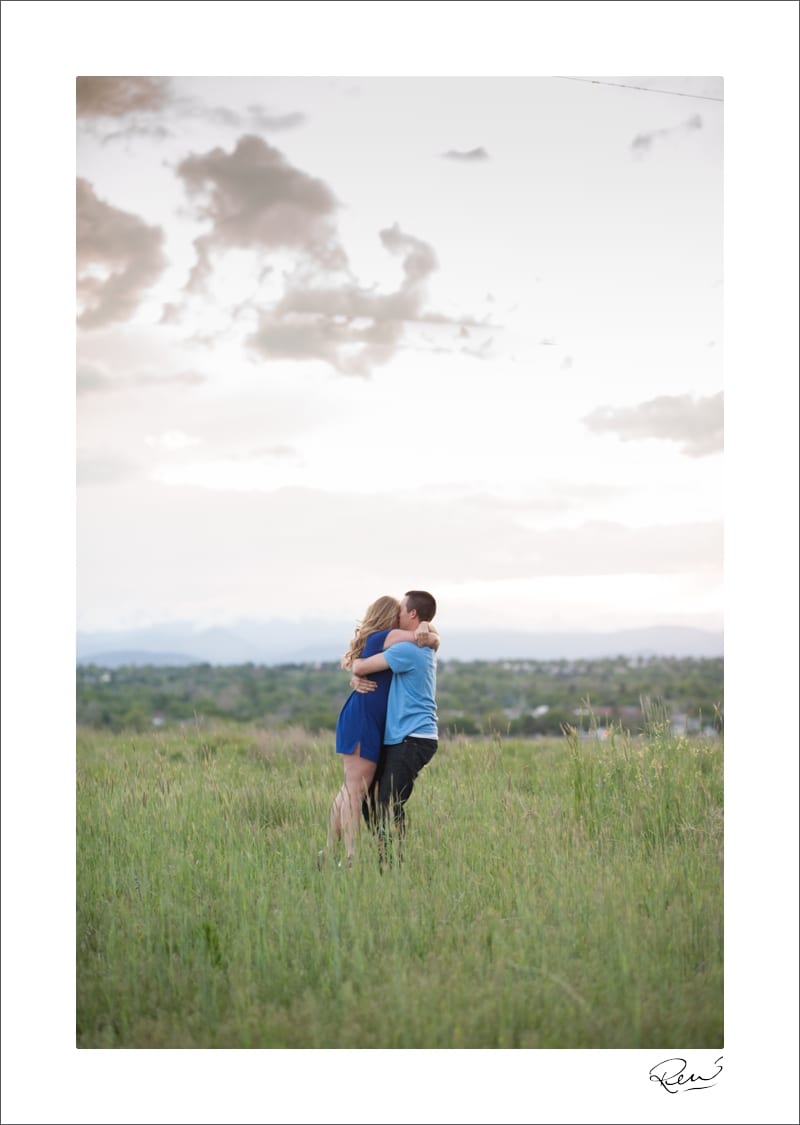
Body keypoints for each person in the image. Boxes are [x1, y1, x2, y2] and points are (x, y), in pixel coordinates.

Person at [318, 595, 438, 868]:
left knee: (354, 790)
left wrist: (428, 629)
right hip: (365, 719)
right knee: (355, 790)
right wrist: (428, 632)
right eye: (397, 612)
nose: (400, 615)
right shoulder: (388, 637)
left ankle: (329, 852)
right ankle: (348, 857)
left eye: (402, 610)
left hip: (376, 722)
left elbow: (361, 665)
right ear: (392, 617)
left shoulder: (391, 640)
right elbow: (360, 666)